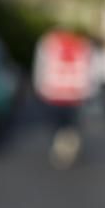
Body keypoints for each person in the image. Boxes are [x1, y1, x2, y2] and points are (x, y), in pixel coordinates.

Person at [32, 28, 94, 168]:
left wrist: (40, 87)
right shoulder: (82, 45)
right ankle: (67, 146)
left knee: (58, 125)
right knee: (69, 125)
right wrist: (88, 90)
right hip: (74, 95)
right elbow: (90, 71)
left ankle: (62, 148)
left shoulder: (48, 43)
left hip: (54, 94)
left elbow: (41, 68)